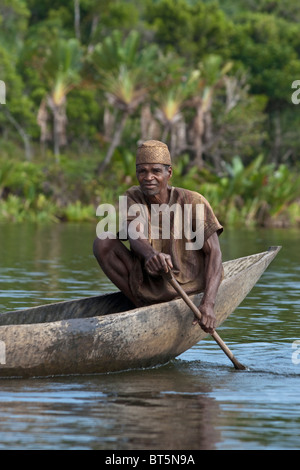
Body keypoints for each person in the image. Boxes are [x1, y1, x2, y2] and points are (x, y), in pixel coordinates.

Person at [93, 140, 223, 334]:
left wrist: (208, 304)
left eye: (155, 171)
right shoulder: (133, 197)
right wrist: (151, 255)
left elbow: (215, 254)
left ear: (168, 173)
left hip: (188, 289)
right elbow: (134, 233)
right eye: (142, 171)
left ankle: (156, 306)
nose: (148, 177)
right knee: (103, 241)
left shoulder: (192, 201)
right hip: (148, 285)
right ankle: (141, 305)